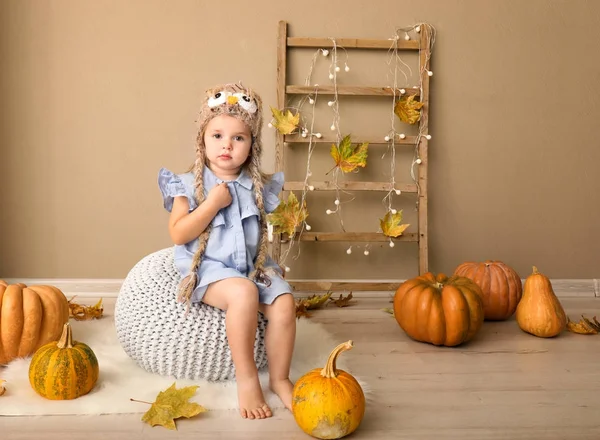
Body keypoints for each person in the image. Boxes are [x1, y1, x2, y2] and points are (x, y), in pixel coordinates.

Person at [157, 83, 296, 419]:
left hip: (249, 267)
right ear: (202, 140)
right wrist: (212, 204)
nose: (227, 145)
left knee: (285, 302)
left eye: (238, 138)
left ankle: (280, 378)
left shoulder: (258, 187)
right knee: (244, 293)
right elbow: (179, 233)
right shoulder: (187, 184)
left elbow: (260, 236)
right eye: (217, 135)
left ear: (252, 146)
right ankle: (247, 378)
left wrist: (272, 263)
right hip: (209, 269)